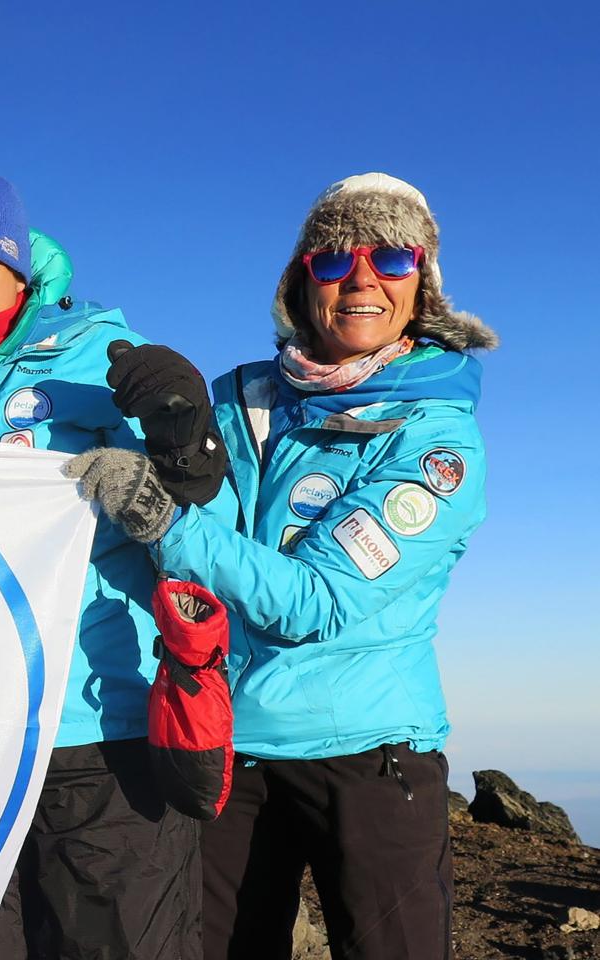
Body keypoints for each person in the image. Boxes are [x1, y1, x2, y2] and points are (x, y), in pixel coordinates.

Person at [69, 173, 495, 959]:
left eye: (392, 258)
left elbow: (315, 602)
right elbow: (177, 507)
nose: (362, 278)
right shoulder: (240, 398)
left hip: (369, 757)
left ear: (422, 284)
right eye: (334, 259)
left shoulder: (437, 442)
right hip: (227, 753)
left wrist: (160, 515)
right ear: (303, 282)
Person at [0, 170, 218, 959]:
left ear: (17, 269)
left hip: (91, 733)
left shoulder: (97, 358)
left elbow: (202, 515)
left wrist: (184, 444)